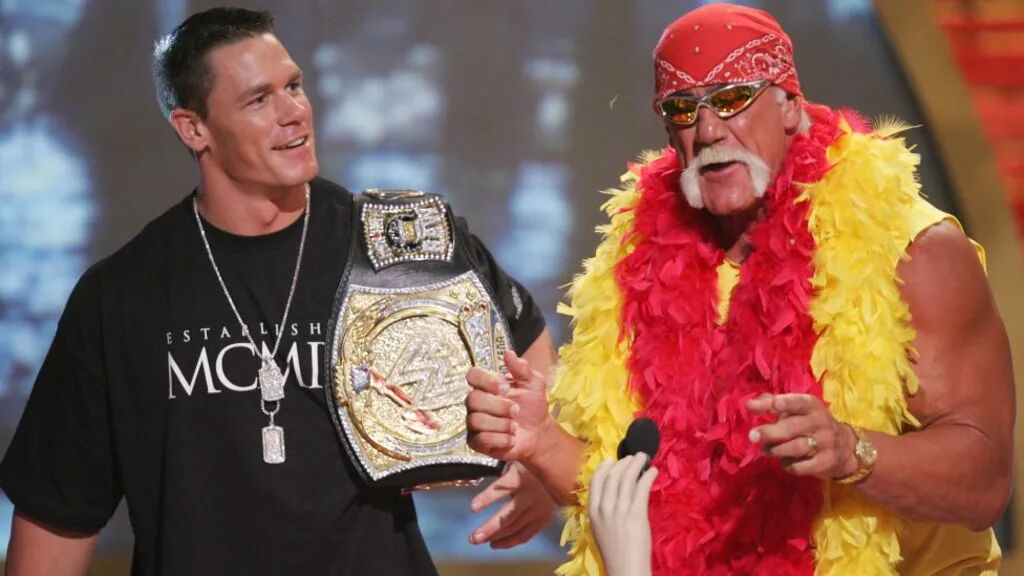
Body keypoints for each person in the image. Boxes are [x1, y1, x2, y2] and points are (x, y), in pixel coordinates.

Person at [0, 7, 556, 575]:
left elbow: (530, 342)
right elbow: (56, 515)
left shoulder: (394, 242)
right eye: (259, 99)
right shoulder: (121, 296)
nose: (294, 112)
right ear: (194, 129)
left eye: (293, 85)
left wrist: (538, 464)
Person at [466, 3, 1015, 574]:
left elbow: (984, 484)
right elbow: (646, 505)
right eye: (684, 110)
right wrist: (542, 442)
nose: (708, 131)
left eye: (733, 99)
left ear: (790, 106)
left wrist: (852, 450)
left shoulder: (913, 249)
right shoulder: (633, 266)